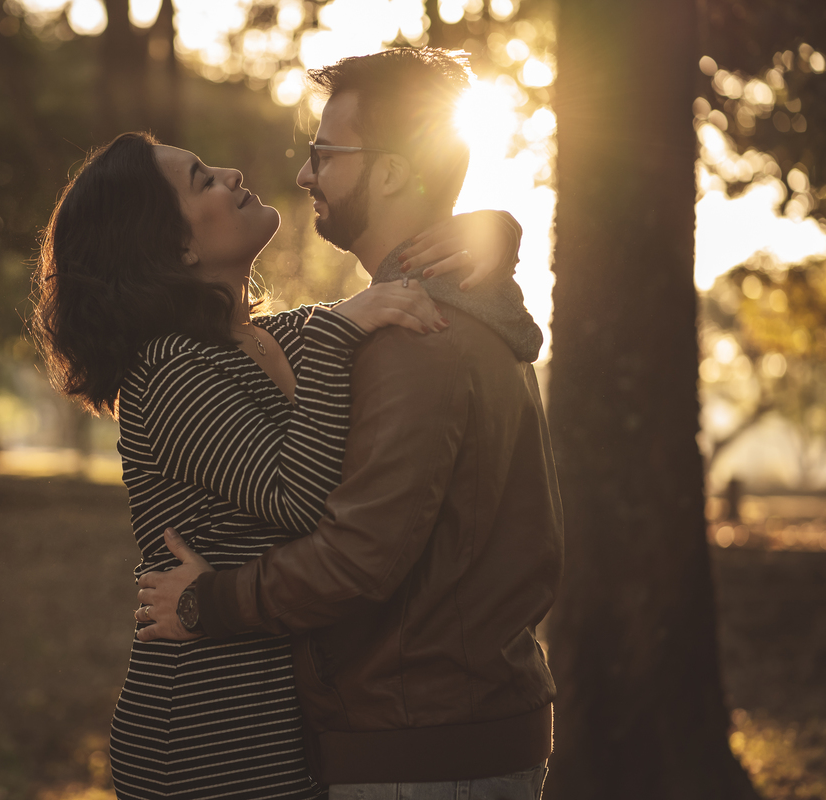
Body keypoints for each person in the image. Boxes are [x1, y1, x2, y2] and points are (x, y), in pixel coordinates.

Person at [33, 125, 535, 797]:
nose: (233, 173)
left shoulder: (274, 339)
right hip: (205, 732)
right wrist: (342, 326)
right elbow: (300, 499)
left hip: (280, 720)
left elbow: (401, 317)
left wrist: (494, 233)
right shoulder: (168, 372)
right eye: (201, 180)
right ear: (176, 244)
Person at [136, 48, 563, 800]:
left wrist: (212, 601)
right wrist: (491, 233)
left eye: (323, 155)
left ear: (392, 172)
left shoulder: (411, 330)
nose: (303, 175)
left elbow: (357, 554)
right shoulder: (406, 316)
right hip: (327, 740)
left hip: (419, 746)